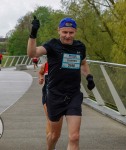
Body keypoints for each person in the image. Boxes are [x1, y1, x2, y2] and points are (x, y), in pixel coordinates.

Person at [27, 16, 95, 150]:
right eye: (64, 32)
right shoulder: (52, 45)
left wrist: (89, 77)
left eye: (71, 32)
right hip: (55, 96)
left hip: (73, 95)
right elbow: (32, 53)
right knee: (54, 136)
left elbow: (83, 63)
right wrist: (33, 33)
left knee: (74, 136)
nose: (68, 36)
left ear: (75, 32)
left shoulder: (80, 47)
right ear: (59, 30)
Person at [38, 61, 56, 149]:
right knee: (50, 120)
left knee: (56, 123)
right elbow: (40, 73)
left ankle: (52, 142)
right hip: (47, 94)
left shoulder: (62, 63)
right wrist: (41, 78)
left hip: (61, 96)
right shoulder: (45, 65)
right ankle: (51, 146)